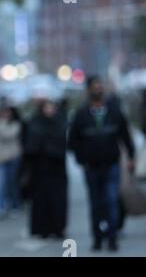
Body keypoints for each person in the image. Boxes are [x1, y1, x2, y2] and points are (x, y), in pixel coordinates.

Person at [69, 76, 135, 251]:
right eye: (95, 86)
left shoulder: (114, 112)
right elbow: (73, 141)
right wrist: (81, 159)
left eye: (101, 86)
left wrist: (131, 157)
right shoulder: (81, 114)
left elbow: (125, 135)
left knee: (111, 200)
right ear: (88, 89)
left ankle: (112, 237)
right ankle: (97, 238)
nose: (99, 89)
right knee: (96, 203)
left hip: (111, 165)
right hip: (91, 167)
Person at [24, 100, 68, 238]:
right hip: (40, 170)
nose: (50, 110)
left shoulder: (60, 122)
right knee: (41, 200)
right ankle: (43, 229)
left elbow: (62, 143)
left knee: (58, 200)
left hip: (57, 169)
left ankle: (58, 228)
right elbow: (30, 146)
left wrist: (46, 145)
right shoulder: (35, 123)